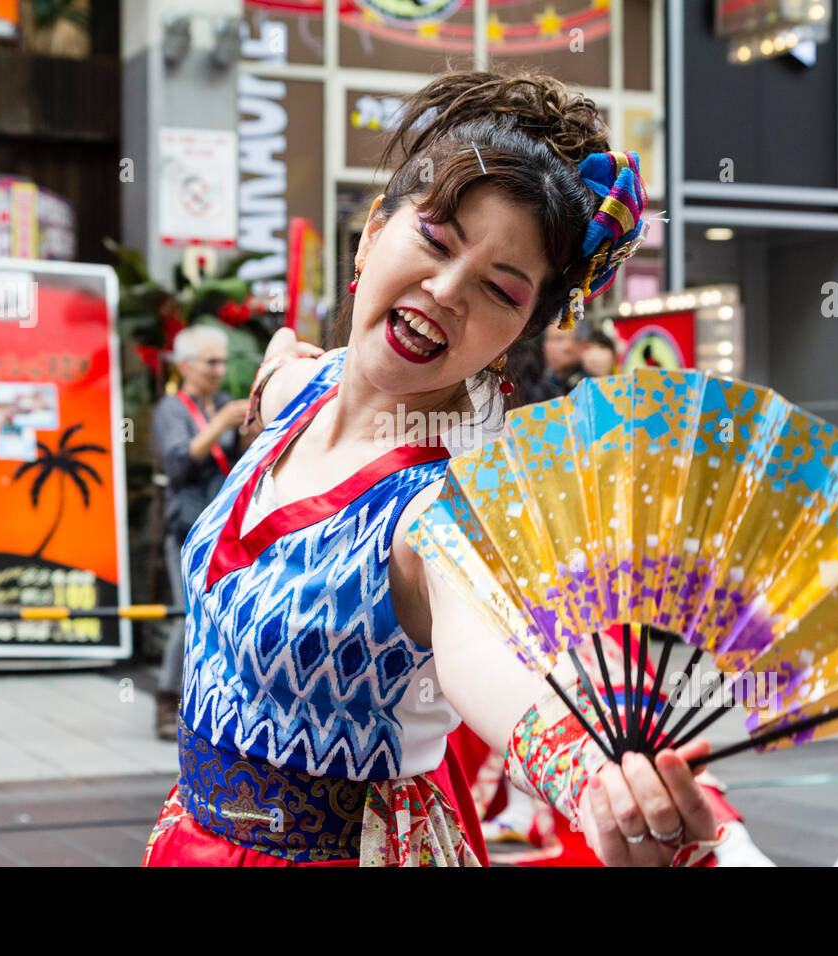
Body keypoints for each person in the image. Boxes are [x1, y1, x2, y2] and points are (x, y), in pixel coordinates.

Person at [143, 70, 732, 867]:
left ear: (520, 330)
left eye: (499, 288)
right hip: (188, 841)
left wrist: (598, 782)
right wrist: (276, 363)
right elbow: (288, 367)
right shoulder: (306, 388)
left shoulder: (438, 512)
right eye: (435, 239)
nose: (446, 292)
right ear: (371, 233)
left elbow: (486, 658)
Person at [149, 325, 248, 741]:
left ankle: (205, 701)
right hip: (186, 526)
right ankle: (166, 701)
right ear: (186, 365)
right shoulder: (171, 409)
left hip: (225, 526)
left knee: (220, 613)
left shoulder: (225, 403)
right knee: (185, 613)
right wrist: (221, 423)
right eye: (211, 362)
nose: (219, 369)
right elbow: (177, 465)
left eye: (222, 361)